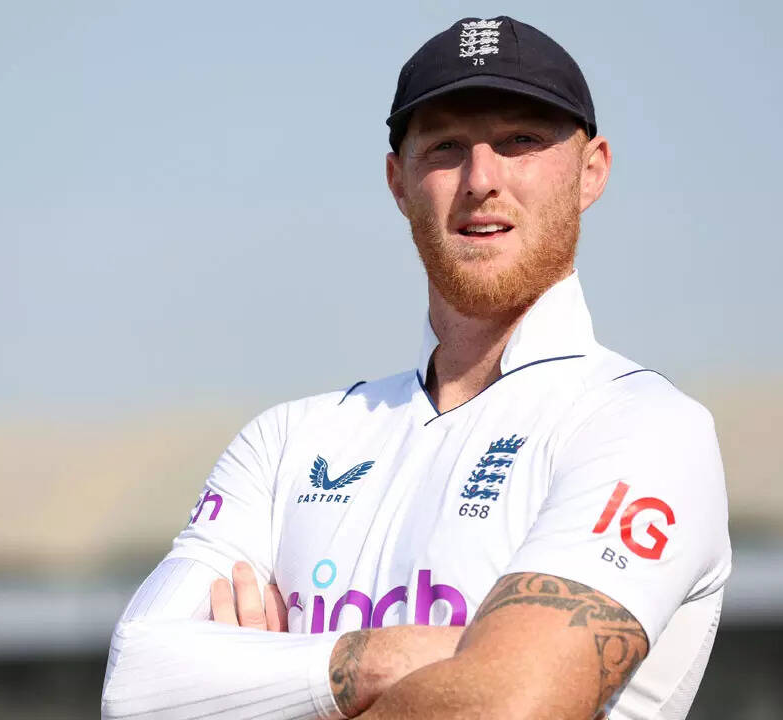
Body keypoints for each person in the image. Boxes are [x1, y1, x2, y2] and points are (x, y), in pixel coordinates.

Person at [101, 15, 730, 720]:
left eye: (520, 140)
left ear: (592, 171)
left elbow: (506, 705)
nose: (481, 179)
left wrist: (257, 691)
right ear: (398, 181)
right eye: (446, 147)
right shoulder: (285, 444)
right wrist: (397, 657)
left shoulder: (643, 427)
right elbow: (133, 688)